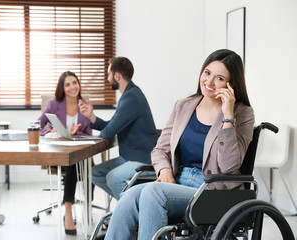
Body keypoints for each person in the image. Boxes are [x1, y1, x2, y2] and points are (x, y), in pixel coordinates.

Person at [104, 49, 255, 240]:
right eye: (207, 73)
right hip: (176, 182)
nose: (208, 82)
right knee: (128, 198)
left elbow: (229, 167)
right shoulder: (184, 106)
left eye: (219, 78)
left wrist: (228, 117)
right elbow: (160, 150)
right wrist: (165, 171)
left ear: (231, 84)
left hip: (212, 192)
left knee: (152, 192)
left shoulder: (242, 114)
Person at [78, 57, 160, 200]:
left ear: (117, 76)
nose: (107, 78)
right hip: (131, 156)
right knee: (95, 173)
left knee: (113, 178)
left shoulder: (131, 97)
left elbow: (109, 132)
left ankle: (131, 212)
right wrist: (91, 117)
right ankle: (129, 205)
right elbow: (112, 125)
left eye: (109, 74)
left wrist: (99, 136)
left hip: (143, 158)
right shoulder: (129, 94)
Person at [38, 71, 91, 235]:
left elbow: (88, 133)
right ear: (62, 87)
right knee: (74, 163)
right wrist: (50, 132)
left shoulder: (85, 105)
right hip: (58, 155)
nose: (72, 87)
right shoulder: (53, 104)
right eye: (67, 84)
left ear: (79, 84)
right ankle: (68, 209)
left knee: (87, 167)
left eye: (74, 82)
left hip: (78, 154)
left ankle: (87, 208)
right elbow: (37, 126)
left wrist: (76, 134)